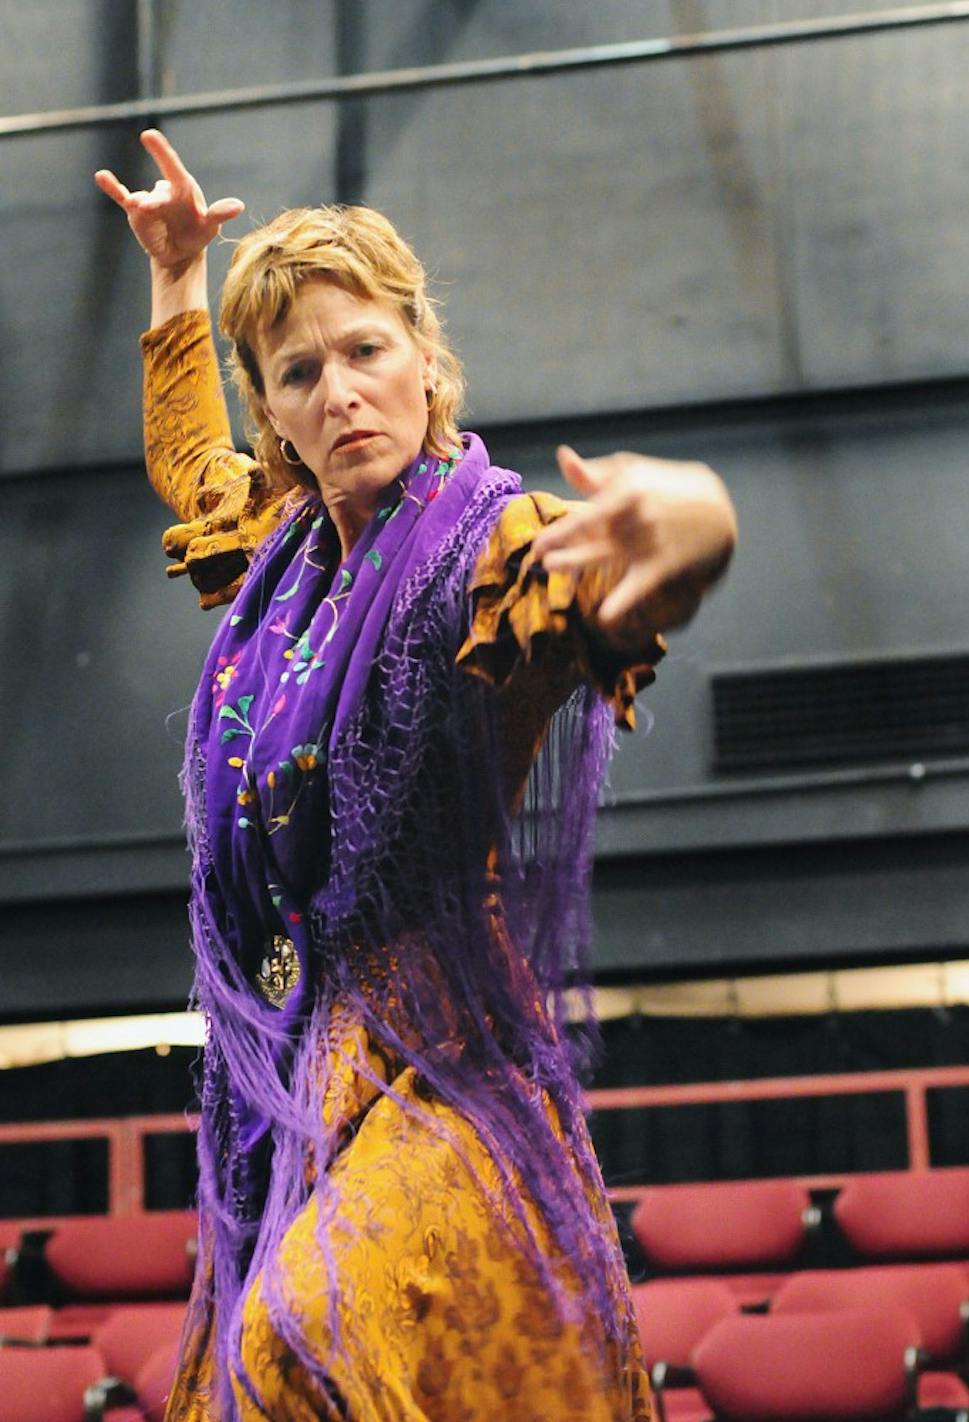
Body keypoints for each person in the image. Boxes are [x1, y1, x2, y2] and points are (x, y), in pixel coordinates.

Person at [96, 130, 736, 1421]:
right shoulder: (282, 567)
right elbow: (190, 468)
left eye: (365, 350)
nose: (339, 391)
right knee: (229, 1387)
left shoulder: (481, 541)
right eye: (298, 371)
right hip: (283, 1063)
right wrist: (176, 277)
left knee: (296, 1339)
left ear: (427, 363)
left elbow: (601, 587)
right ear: (274, 412)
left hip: (440, 1059)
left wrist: (695, 522)